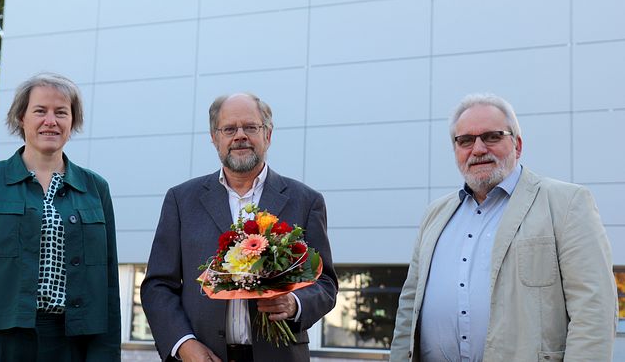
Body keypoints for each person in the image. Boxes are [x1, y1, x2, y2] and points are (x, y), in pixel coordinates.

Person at [390, 93, 618, 362]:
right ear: (456, 150)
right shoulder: (435, 214)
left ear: (517, 145)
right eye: (465, 140)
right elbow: (409, 306)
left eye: (491, 136)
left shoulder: (566, 203)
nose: (478, 149)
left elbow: (594, 310)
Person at [0, 73, 121, 362]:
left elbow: (108, 287)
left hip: (71, 345)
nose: (51, 121)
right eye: (40, 111)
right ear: (22, 117)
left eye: (61, 112)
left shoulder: (96, 189)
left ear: (73, 121)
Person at [141, 93, 338, 362]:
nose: (240, 136)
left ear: (268, 134)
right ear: (214, 137)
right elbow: (158, 286)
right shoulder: (181, 200)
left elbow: (325, 283)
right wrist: (184, 345)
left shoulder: (305, 201)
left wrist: (294, 304)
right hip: (202, 355)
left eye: (250, 127)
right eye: (229, 129)